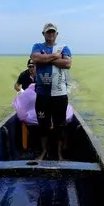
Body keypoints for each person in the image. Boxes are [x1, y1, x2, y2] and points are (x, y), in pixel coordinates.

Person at [30, 22, 72, 161]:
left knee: (60, 125)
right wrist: (56, 56)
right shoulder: (37, 46)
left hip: (60, 94)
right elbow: (35, 58)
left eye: (53, 32)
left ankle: (59, 154)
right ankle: (44, 152)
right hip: (42, 95)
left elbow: (67, 64)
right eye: (48, 32)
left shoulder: (64, 48)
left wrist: (46, 58)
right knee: (43, 125)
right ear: (43, 34)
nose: (51, 34)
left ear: (57, 34)